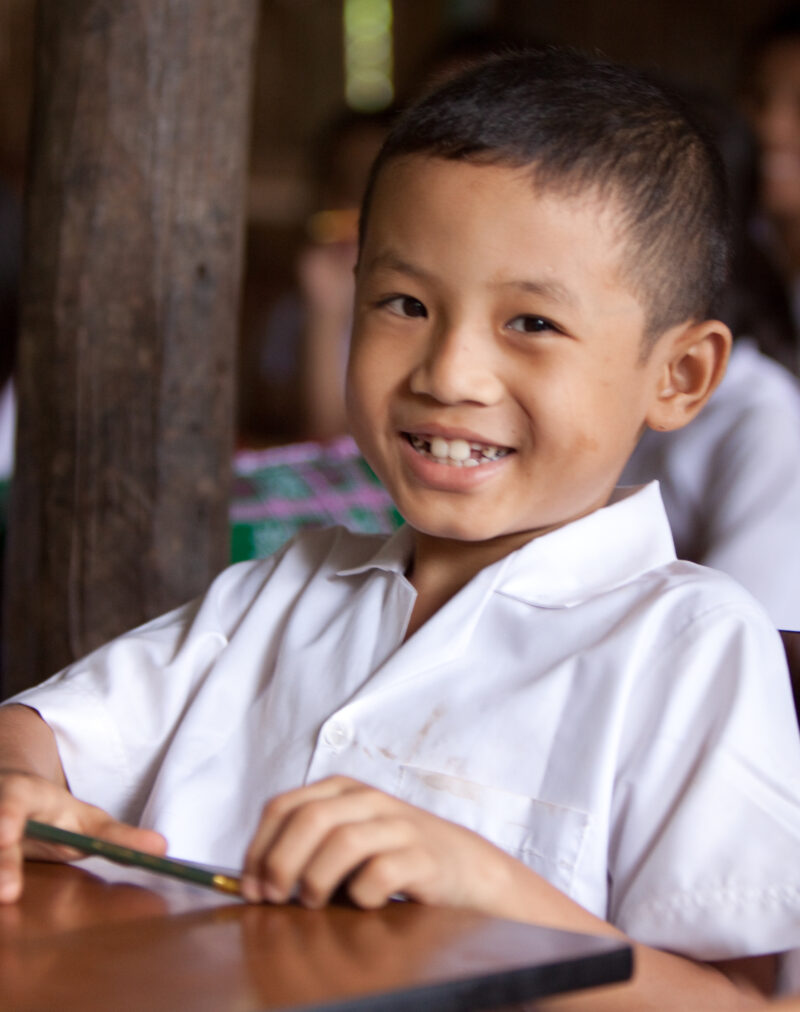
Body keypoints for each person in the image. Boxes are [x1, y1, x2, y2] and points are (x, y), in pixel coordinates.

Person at [1, 48, 800, 1008]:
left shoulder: (686, 646)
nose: (448, 372)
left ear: (679, 376)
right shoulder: (281, 593)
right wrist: (15, 785)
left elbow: (745, 1002)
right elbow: (40, 729)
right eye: (404, 304)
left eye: (531, 324)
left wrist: (490, 893)